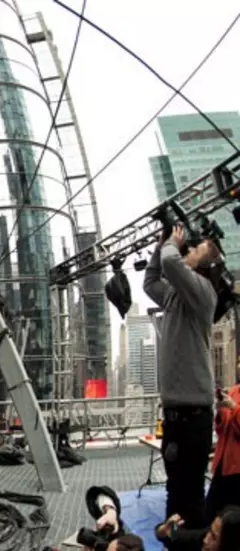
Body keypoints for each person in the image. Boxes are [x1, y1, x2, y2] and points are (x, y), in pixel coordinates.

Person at [143, 224, 221, 549]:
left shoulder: (203, 292)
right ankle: (178, 544)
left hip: (192, 416)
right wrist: (161, 245)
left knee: (189, 498)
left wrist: (174, 244)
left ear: (205, 261)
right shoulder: (175, 295)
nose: (188, 249)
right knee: (176, 493)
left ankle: (193, 544)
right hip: (176, 416)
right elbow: (150, 282)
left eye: (195, 248)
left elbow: (173, 264)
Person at [206, 384, 240, 524]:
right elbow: (221, 429)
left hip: (237, 467)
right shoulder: (233, 391)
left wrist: (234, 408)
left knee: (232, 517)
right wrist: (220, 410)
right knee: (211, 512)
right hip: (224, 463)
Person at [156, 506, 240, 551]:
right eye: (210, 530)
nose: (206, 540)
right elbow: (175, 536)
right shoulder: (204, 537)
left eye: (214, 538)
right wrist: (164, 529)